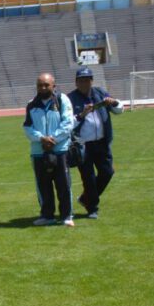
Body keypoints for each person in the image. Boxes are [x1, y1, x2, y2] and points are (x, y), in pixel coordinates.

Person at [68, 67, 123, 219]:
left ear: (92, 81)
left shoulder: (100, 93)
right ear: (76, 82)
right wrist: (82, 113)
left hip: (102, 142)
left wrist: (114, 102)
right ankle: (92, 208)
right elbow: (67, 123)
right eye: (81, 80)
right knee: (88, 177)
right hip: (82, 144)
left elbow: (119, 110)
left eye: (87, 80)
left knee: (107, 172)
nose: (84, 83)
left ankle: (85, 198)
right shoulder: (70, 99)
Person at [24, 72, 76, 227]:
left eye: (46, 85)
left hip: (60, 150)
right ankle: (47, 216)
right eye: (40, 85)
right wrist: (41, 138)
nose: (43, 87)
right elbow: (27, 127)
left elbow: (68, 122)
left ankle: (66, 216)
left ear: (54, 85)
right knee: (43, 185)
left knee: (63, 185)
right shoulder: (31, 104)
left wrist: (53, 139)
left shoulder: (62, 99)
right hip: (39, 152)